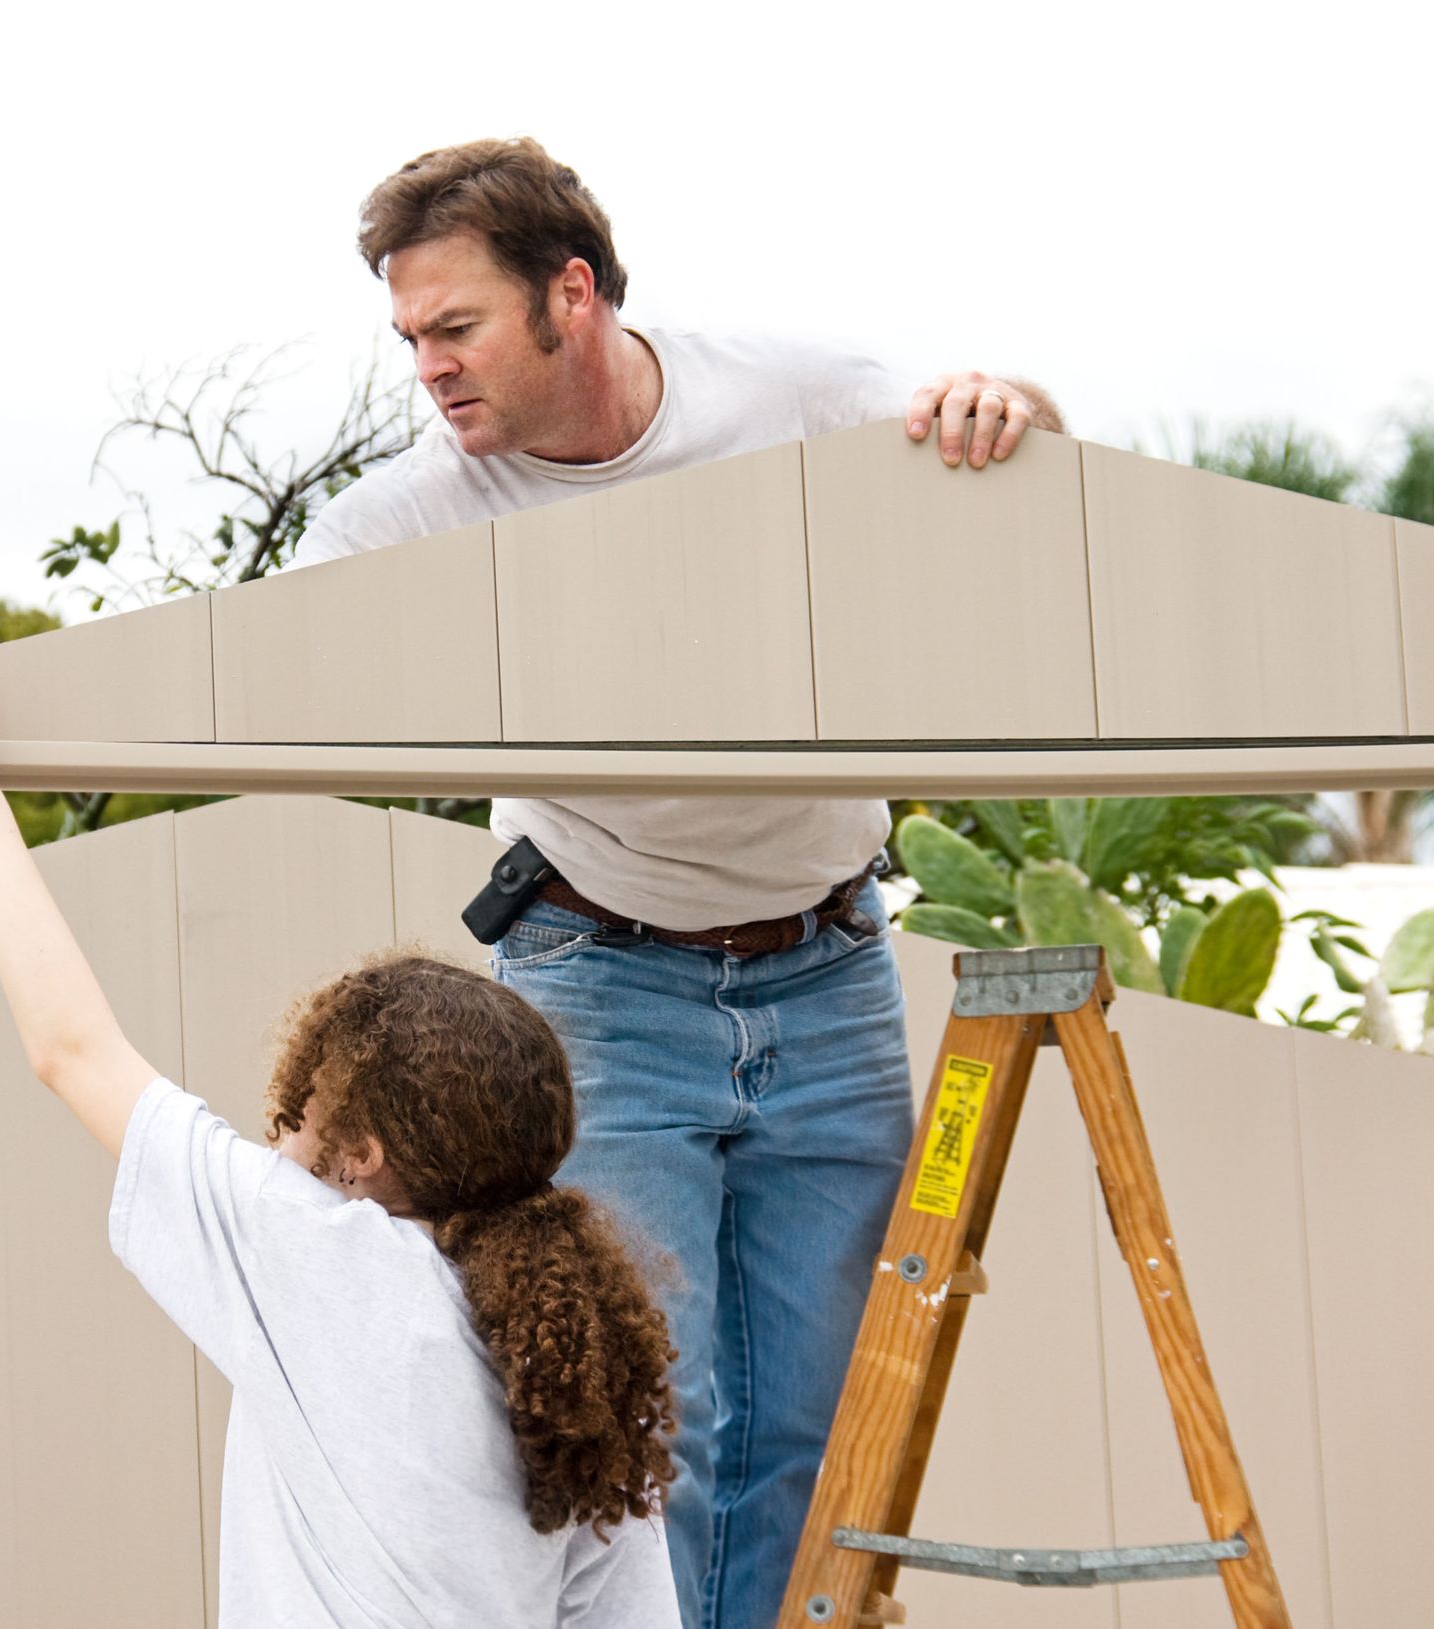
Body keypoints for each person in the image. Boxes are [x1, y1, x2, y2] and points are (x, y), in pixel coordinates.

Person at [285, 138, 1067, 1629]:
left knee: (824, 1421)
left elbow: (1023, 479)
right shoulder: (413, 513)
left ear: (568, 296)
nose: (429, 372)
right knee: (655, 1412)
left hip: (828, 973)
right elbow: (233, 657)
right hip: (600, 979)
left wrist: (1012, 410)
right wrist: (1, 689)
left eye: (454, 330)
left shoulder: (791, 399)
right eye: (409, 341)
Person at [0, 626, 681, 1628]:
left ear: (360, 1160)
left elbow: (69, 1049)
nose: (269, 1151)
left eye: (291, 1126)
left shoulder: (320, 1257)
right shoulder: (588, 1364)